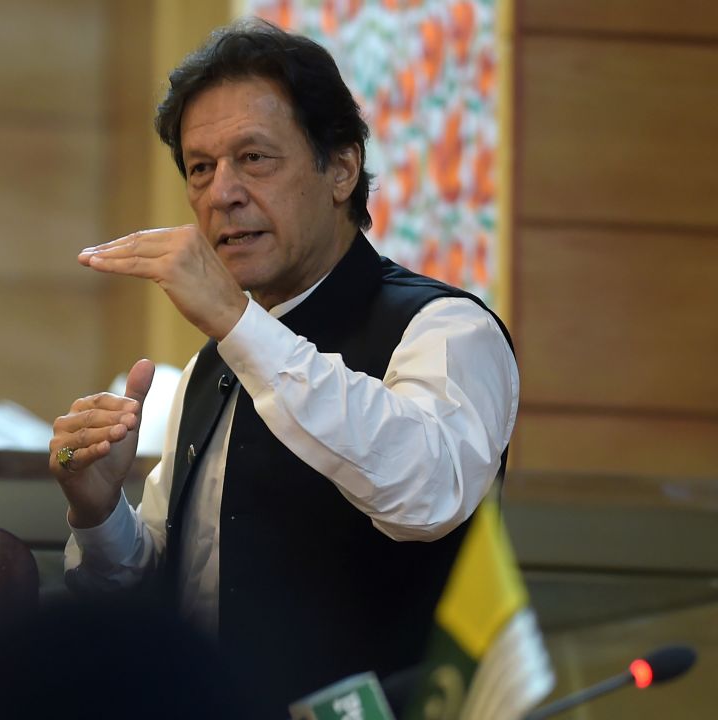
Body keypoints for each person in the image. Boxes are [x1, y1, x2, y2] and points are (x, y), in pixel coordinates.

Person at [46, 18, 518, 717]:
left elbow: (426, 496)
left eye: (254, 158)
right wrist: (96, 509)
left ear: (342, 169)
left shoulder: (445, 327)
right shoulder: (216, 361)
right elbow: (168, 589)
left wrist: (239, 325)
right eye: (200, 168)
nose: (222, 193)